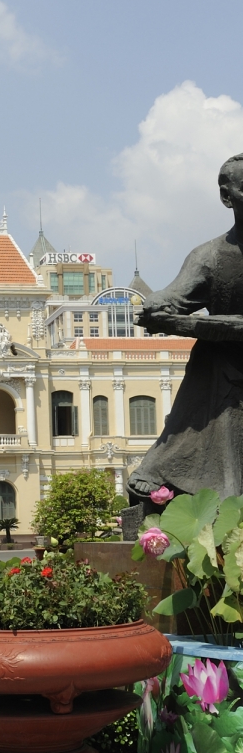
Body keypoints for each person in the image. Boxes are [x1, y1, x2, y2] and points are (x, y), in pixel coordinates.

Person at [129, 153, 243, 501]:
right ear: (227, 197)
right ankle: (172, 472)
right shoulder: (209, 256)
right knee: (213, 368)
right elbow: (175, 295)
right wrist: (158, 304)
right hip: (222, 365)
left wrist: (188, 322)